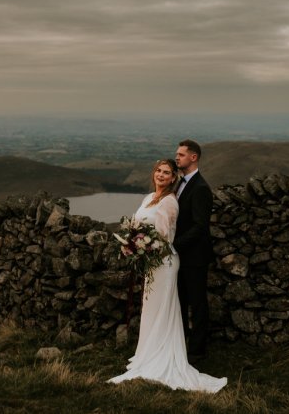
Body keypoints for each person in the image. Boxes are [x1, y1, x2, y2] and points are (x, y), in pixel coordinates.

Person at [108, 159, 226, 393]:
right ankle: (148, 353)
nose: (161, 175)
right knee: (151, 308)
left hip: (164, 262)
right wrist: (133, 245)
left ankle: (162, 358)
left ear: (173, 178)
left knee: (163, 309)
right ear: (154, 174)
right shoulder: (147, 198)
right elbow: (138, 227)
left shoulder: (170, 202)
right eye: (159, 171)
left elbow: (165, 238)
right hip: (151, 263)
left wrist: (142, 247)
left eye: (167, 173)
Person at [174, 139, 213, 363]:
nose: (177, 157)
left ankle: (197, 351)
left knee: (197, 304)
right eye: (177, 154)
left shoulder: (200, 188)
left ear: (193, 157)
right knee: (180, 300)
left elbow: (200, 226)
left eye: (181, 154)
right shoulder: (181, 183)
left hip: (195, 257)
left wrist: (174, 244)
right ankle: (181, 344)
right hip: (182, 256)